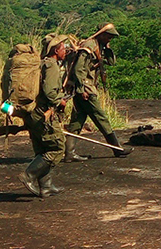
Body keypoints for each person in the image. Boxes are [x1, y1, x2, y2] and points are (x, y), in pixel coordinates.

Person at [64, 23, 132, 161]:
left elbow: (111, 62)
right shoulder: (89, 46)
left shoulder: (99, 46)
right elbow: (78, 69)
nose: (109, 39)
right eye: (108, 36)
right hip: (86, 89)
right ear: (101, 34)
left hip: (84, 89)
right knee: (101, 118)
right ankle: (117, 149)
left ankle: (69, 153)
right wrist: (81, 89)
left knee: (77, 121)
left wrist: (107, 48)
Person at [20, 34, 73, 197]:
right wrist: (60, 101)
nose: (66, 50)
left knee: (42, 149)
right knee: (57, 148)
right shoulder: (51, 66)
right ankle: (29, 175)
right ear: (56, 50)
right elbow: (50, 93)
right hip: (43, 113)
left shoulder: (41, 64)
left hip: (32, 113)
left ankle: (46, 186)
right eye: (63, 48)